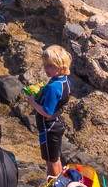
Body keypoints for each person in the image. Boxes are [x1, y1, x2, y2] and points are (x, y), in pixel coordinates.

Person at [27, 44, 73, 178]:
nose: (46, 69)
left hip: (48, 128)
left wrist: (33, 102)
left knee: (50, 162)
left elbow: (47, 112)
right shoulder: (65, 81)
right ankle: (60, 184)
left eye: (50, 66)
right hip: (56, 124)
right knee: (55, 158)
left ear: (61, 66)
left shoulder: (53, 87)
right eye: (45, 65)